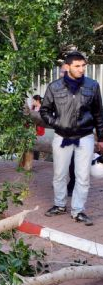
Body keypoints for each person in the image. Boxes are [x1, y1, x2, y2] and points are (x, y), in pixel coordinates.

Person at [40, 51, 103, 226]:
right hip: (62, 137)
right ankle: (60, 205)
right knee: (59, 175)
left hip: (85, 137)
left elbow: (99, 113)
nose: (81, 69)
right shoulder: (55, 87)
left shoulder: (92, 86)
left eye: (83, 66)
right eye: (77, 66)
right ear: (67, 67)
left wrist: (101, 138)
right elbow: (44, 111)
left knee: (82, 177)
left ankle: (78, 211)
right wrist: (58, 123)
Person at [32, 95, 45, 160]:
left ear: (37, 101)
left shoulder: (42, 109)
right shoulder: (33, 108)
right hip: (33, 128)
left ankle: (35, 159)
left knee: (37, 144)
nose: (32, 102)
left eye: (33, 101)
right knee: (32, 143)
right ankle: (33, 159)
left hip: (39, 128)